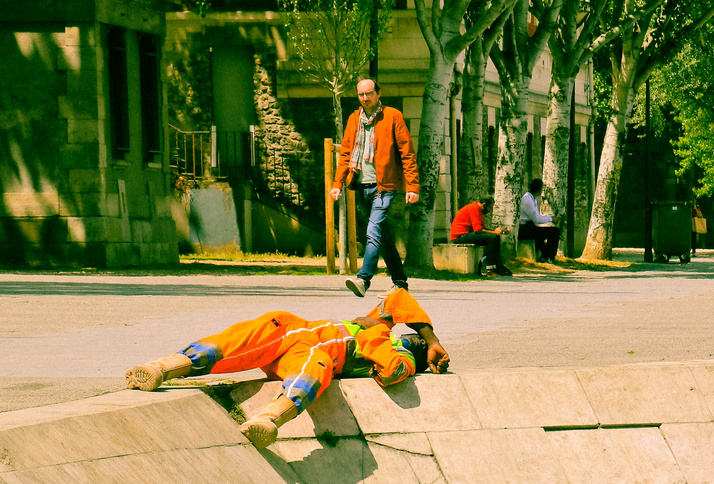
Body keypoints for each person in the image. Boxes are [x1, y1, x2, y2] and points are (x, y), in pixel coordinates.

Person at [125, 289, 449, 448]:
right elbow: (398, 298)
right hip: (298, 330)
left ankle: (267, 420)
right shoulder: (381, 330)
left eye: (416, 342)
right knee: (242, 340)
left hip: (314, 351)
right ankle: (161, 368)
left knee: (313, 367)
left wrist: (393, 348)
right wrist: (431, 340)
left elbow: (392, 370)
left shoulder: (393, 349)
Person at [330, 79, 419, 298]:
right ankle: (400, 283)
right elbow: (346, 154)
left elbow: (407, 152)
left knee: (372, 232)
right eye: (361, 95)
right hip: (361, 185)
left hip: (384, 186)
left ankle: (364, 279)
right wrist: (337, 184)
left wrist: (413, 186)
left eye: (369, 93)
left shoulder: (392, 116)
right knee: (382, 235)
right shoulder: (353, 119)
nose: (365, 98)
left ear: (378, 94)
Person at [449, 198, 513, 276]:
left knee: (495, 237)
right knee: (492, 238)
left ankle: (498, 266)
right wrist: (494, 232)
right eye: (490, 207)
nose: (490, 210)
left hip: (467, 234)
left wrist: (502, 232)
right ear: (483, 205)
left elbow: (484, 229)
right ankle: (490, 268)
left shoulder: (480, 212)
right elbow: (478, 230)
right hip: (460, 236)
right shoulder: (474, 208)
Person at [519, 178, 561, 264]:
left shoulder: (532, 198)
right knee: (555, 231)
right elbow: (537, 219)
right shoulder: (527, 200)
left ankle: (545, 256)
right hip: (525, 228)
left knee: (544, 233)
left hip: (531, 226)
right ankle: (547, 257)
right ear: (539, 189)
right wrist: (551, 219)